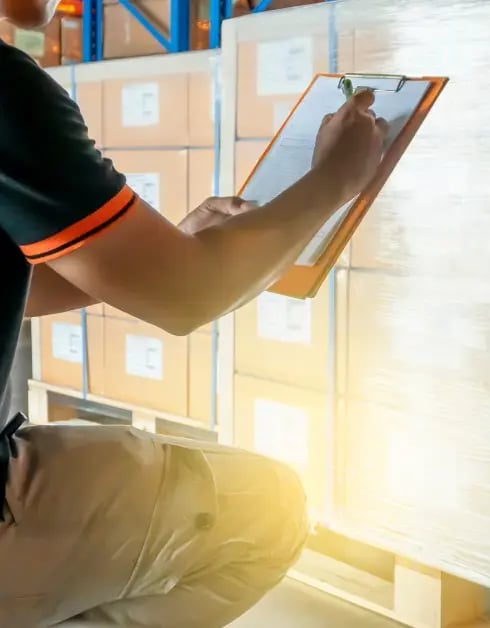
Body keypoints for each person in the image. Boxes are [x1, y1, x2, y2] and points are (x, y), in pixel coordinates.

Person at [0, 1, 388, 625]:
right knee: (268, 509)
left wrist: (150, 254)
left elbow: (21, 287)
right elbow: (189, 300)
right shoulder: (6, 93)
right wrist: (339, 177)